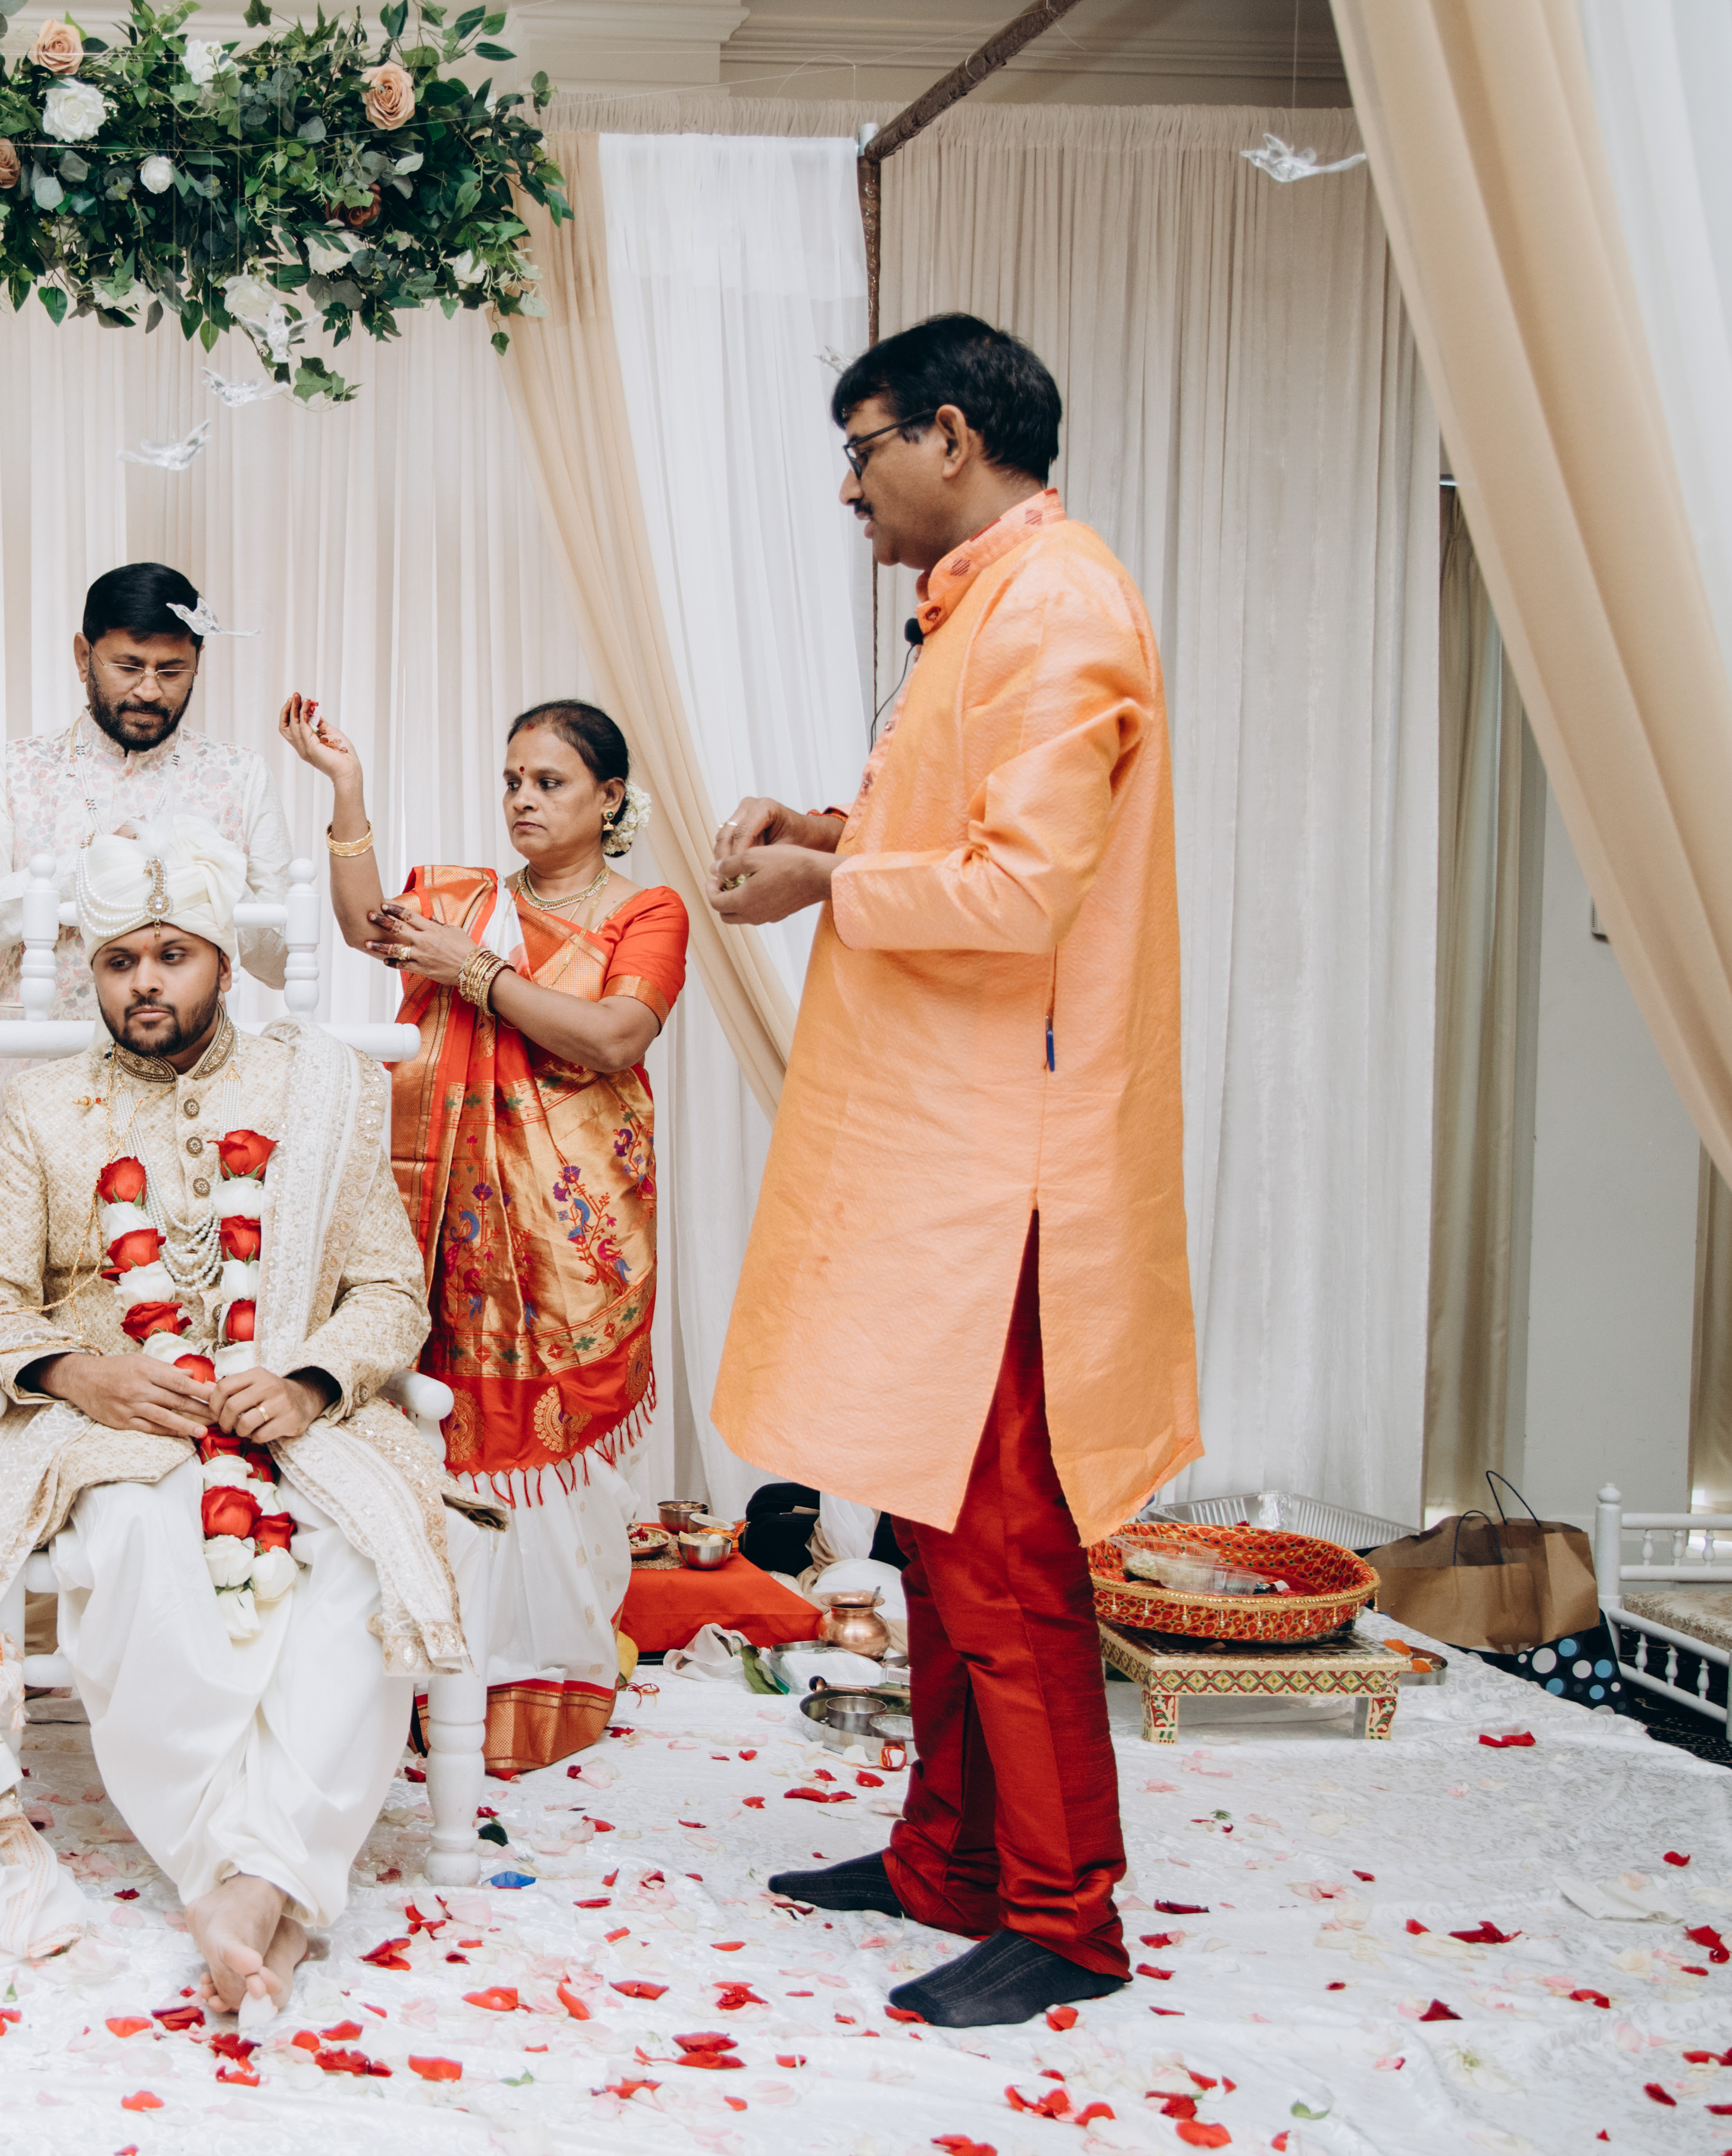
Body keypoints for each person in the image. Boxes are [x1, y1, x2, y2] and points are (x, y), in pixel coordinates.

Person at [707, 313, 1200, 2028]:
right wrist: (823, 831)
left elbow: (1018, 894)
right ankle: (949, 1856)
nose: (849, 488)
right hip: (938, 1136)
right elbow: (956, 834)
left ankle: (1063, 1913)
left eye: (860, 452)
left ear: (947, 434)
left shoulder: (1060, 607)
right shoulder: (983, 602)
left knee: (999, 1541)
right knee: (931, 1521)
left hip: (1010, 1156)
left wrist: (823, 887)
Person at [0, 820, 497, 2010]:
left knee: (359, 1563)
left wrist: (309, 1383)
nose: (146, 983)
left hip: (299, 1414)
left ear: (222, 963)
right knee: (139, 1539)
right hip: (116, 1426)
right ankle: (257, 1879)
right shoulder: (44, 1109)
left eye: (172, 956)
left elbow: (388, 1289)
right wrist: (78, 1373)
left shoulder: (315, 1089)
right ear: (91, 971)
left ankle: (246, 1884)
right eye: (120, 960)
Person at [283, 694, 689, 1774]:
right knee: (437, 1439)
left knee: (556, 1469)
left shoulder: (645, 912)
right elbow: (364, 922)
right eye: (511, 780)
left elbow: (612, 1037)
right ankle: (436, 1685)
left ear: (608, 797)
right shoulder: (466, 901)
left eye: (548, 782)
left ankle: (550, 1684)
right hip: (448, 1228)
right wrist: (345, 788)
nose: (521, 800)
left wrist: (474, 974)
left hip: (571, 1235)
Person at [0, 561, 295, 1016]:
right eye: (129, 666)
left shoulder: (241, 775)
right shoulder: (15, 769)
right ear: (83, 656)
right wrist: (80, 873)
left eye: (172, 671)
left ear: (198, 662)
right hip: (39, 1052)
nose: (149, 691)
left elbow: (285, 962)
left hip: (187, 1058)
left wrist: (208, 876)